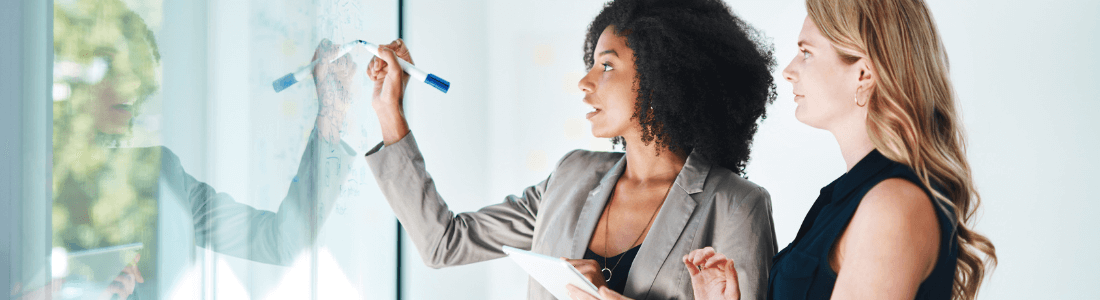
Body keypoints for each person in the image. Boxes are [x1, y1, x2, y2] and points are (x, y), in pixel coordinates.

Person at [362, 0, 779, 299]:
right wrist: (388, 110)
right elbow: (444, 242)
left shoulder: (736, 206)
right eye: (591, 63)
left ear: (664, 76)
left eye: (607, 65)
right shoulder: (571, 176)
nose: (585, 82)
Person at [623, 0, 999, 300]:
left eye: (806, 52)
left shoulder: (892, 206)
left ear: (863, 74)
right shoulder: (847, 198)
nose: (788, 70)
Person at [38, 0, 359, 298]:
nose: (129, 85)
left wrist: (330, 117)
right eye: (109, 65)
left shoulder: (159, 175)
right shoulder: (31, 176)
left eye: (137, 71)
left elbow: (284, 243)